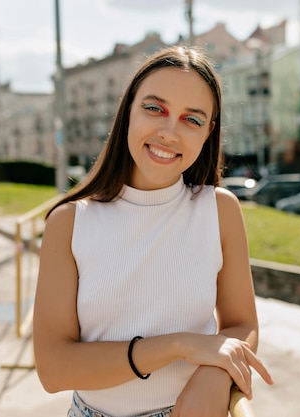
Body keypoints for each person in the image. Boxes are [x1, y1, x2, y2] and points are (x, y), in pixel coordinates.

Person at [33, 45, 274, 417]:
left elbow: (242, 323)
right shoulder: (69, 223)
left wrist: (213, 375)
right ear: (128, 110)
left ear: (209, 132)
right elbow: (53, 368)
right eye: (154, 108)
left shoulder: (219, 210)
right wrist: (180, 346)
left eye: (191, 120)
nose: (169, 132)